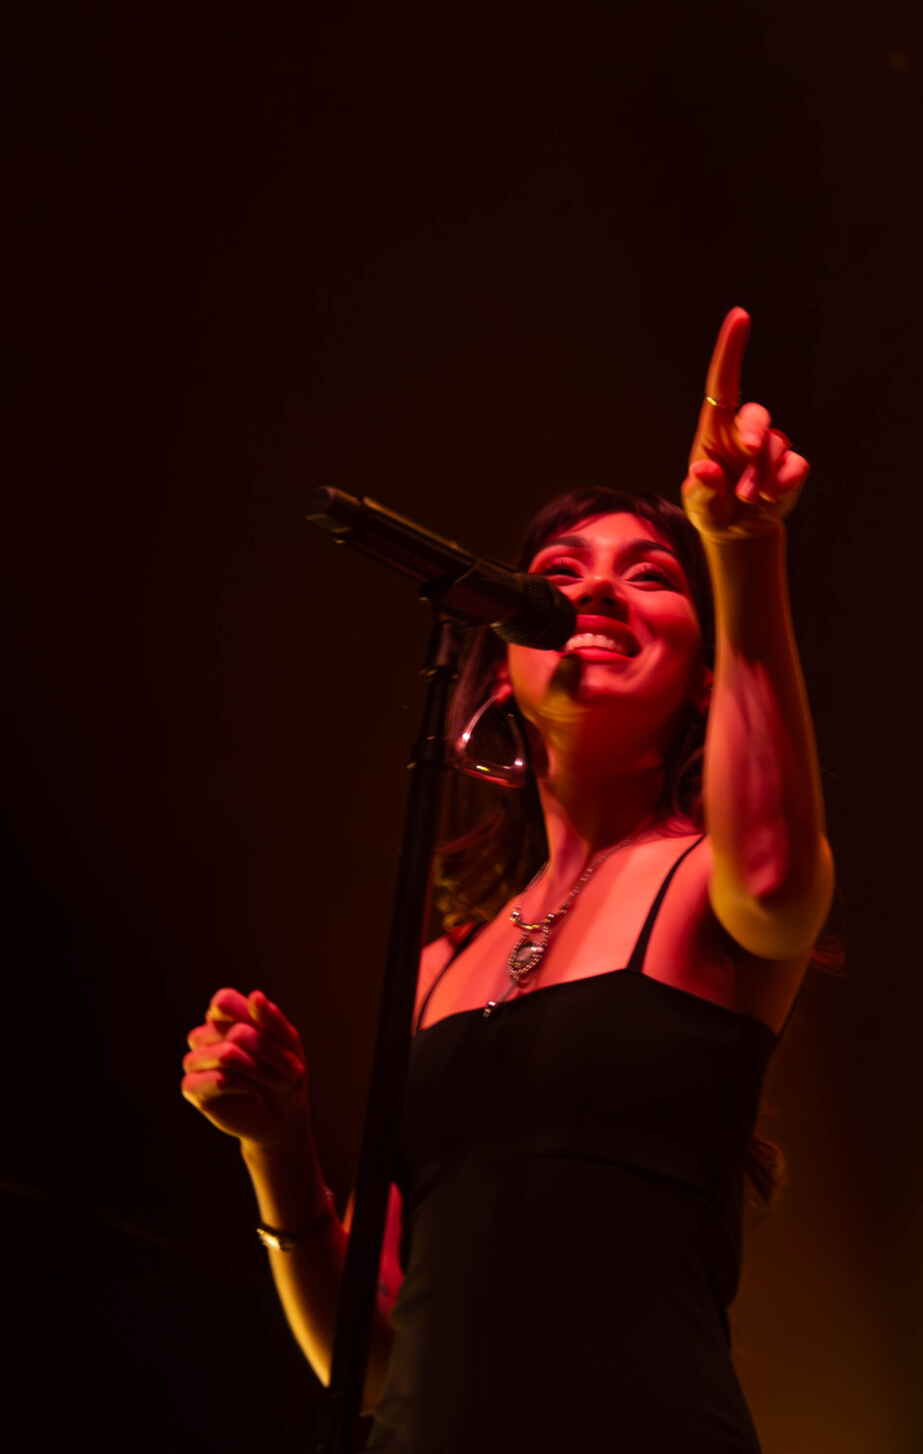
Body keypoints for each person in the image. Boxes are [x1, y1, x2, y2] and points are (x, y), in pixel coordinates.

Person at [180, 309, 831, 1451]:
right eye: (558, 574)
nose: (600, 592)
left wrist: (742, 545)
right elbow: (371, 1357)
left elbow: (778, 869)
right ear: (499, 672)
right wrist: (277, 1148)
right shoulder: (434, 968)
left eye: (651, 575)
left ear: (699, 679)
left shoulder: (707, 885)